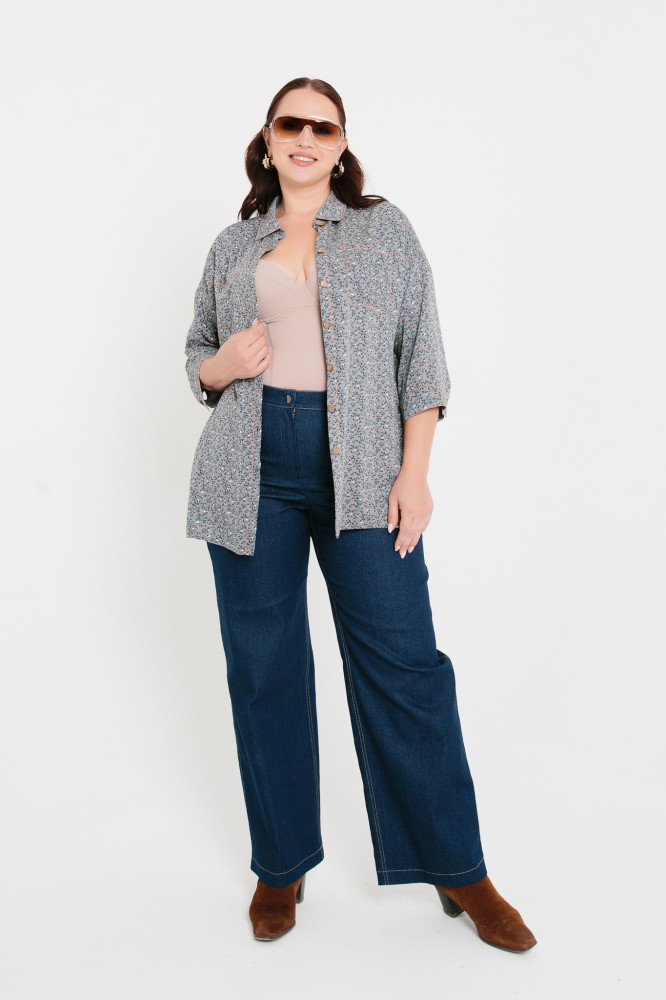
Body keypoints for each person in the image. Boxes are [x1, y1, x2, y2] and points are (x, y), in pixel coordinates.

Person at [184, 77, 536, 953]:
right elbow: (197, 355)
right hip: (248, 469)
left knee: (406, 663)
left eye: (323, 126)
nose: (306, 137)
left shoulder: (385, 231)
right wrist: (221, 365)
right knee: (263, 668)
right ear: (268, 139)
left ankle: (458, 867)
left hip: (367, 468)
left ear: (341, 145)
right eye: (290, 123)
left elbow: (424, 360)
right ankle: (281, 864)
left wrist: (416, 474)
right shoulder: (233, 244)